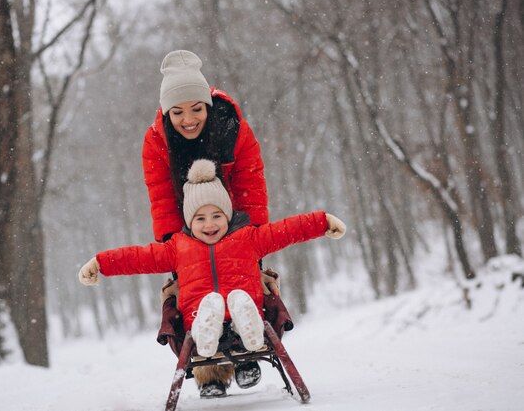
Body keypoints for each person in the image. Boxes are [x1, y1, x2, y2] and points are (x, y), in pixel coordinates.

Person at [78, 159, 346, 398]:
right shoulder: (178, 248)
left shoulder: (247, 238)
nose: (210, 224)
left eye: (217, 215)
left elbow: (286, 230)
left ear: (228, 215)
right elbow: (138, 257)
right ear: (189, 222)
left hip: (245, 311)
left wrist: (322, 222)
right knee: (206, 311)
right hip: (201, 317)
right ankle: (207, 335)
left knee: (242, 304)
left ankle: (249, 330)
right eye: (200, 218)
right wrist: (101, 263)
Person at [143, 49, 278, 389]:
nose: (188, 118)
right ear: (166, 112)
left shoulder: (233, 129)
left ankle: (246, 351)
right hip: (187, 225)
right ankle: (207, 370)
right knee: (196, 291)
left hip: (232, 217)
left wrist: (253, 242)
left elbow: (251, 187)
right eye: (178, 112)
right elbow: (161, 199)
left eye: (196, 109)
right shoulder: (157, 142)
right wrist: (177, 250)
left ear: (208, 105)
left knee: (240, 280)